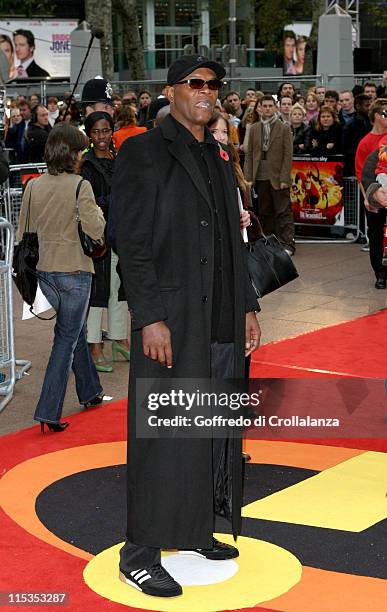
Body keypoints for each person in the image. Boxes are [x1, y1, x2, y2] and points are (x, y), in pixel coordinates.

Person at [111, 53, 260, 598]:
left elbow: (230, 244)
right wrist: (149, 316)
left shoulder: (218, 157)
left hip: (217, 319)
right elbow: (132, 243)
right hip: (171, 321)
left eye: (213, 85)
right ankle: (141, 551)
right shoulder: (143, 152)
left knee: (208, 433)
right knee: (163, 436)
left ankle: (197, 529)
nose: (206, 91)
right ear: (171, 92)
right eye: (195, 83)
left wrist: (245, 305)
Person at [16, 124, 105, 431]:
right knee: (66, 339)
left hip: (43, 272)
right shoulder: (81, 186)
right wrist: (100, 214)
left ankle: (91, 391)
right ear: (72, 153)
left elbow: (23, 233)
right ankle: (48, 412)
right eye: (80, 149)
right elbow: (97, 230)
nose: (82, 154)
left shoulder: (33, 186)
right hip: (76, 272)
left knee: (73, 331)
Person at [81, 111, 129, 372]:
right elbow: (89, 204)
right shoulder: (86, 165)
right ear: (89, 134)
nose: (101, 136)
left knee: (121, 286)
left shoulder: (119, 159)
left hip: (122, 233)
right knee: (99, 290)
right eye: (96, 131)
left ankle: (120, 338)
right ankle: (94, 344)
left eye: (105, 130)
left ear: (112, 131)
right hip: (99, 237)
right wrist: (116, 201)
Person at [244, 94, 295, 255]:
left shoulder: (284, 127)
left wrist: (285, 177)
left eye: (270, 105)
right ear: (259, 108)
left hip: (278, 175)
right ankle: (269, 243)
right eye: (264, 106)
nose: (267, 108)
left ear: (275, 107)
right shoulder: (254, 128)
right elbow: (250, 154)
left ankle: (287, 244)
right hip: (260, 175)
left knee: (282, 211)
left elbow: (288, 154)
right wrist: (248, 178)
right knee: (264, 212)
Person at [355, 98, 387, 288]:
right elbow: (361, 174)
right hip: (375, 196)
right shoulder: (366, 143)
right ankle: (380, 274)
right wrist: (368, 198)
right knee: (375, 234)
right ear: (377, 116)